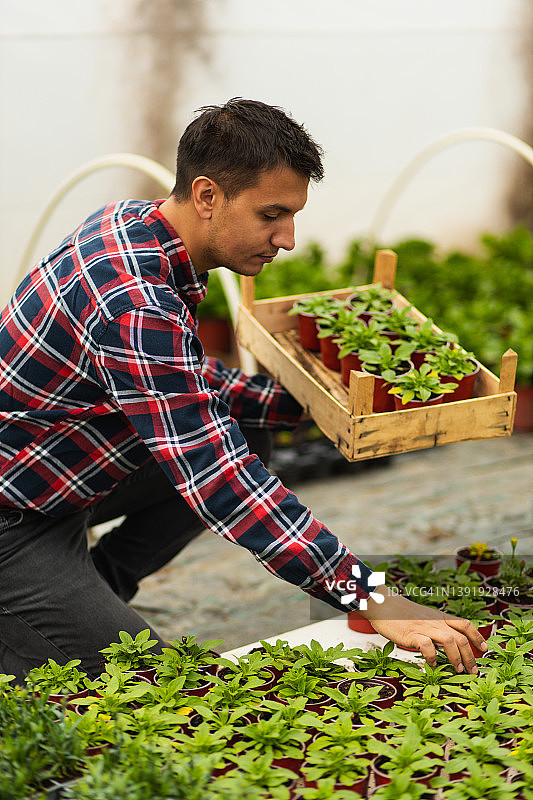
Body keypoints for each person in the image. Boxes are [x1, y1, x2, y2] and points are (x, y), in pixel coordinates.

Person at [0, 98, 486, 683]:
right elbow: (218, 476)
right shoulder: (133, 302)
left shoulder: (134, 225)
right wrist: (371, 597)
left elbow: (181, 384)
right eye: (271, 214)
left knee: (252, 429)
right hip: (14, 518)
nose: (288, 238)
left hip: (55, 476)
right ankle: (30, 614)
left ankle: (92, 588)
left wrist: (306, 405)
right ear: (207, 196)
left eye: (293, 215)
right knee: (145, 684)